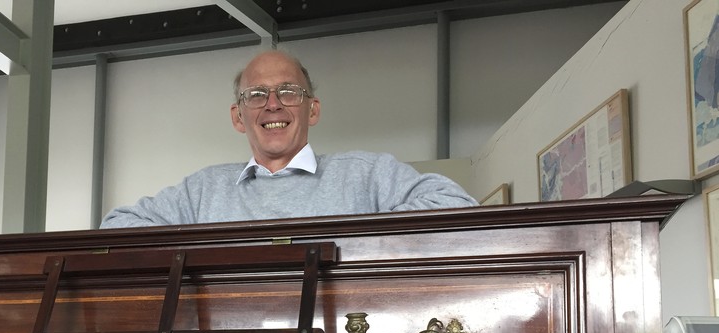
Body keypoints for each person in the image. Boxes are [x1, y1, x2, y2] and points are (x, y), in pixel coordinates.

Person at [101, 50, 476, 229]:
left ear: (312, 109)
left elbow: (456, 204)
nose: (273, 106)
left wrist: (359, 240)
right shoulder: (201, 191)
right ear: (238, 117)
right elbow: (117, 227)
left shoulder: (367, 173)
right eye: (257, 95)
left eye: (289, 92)